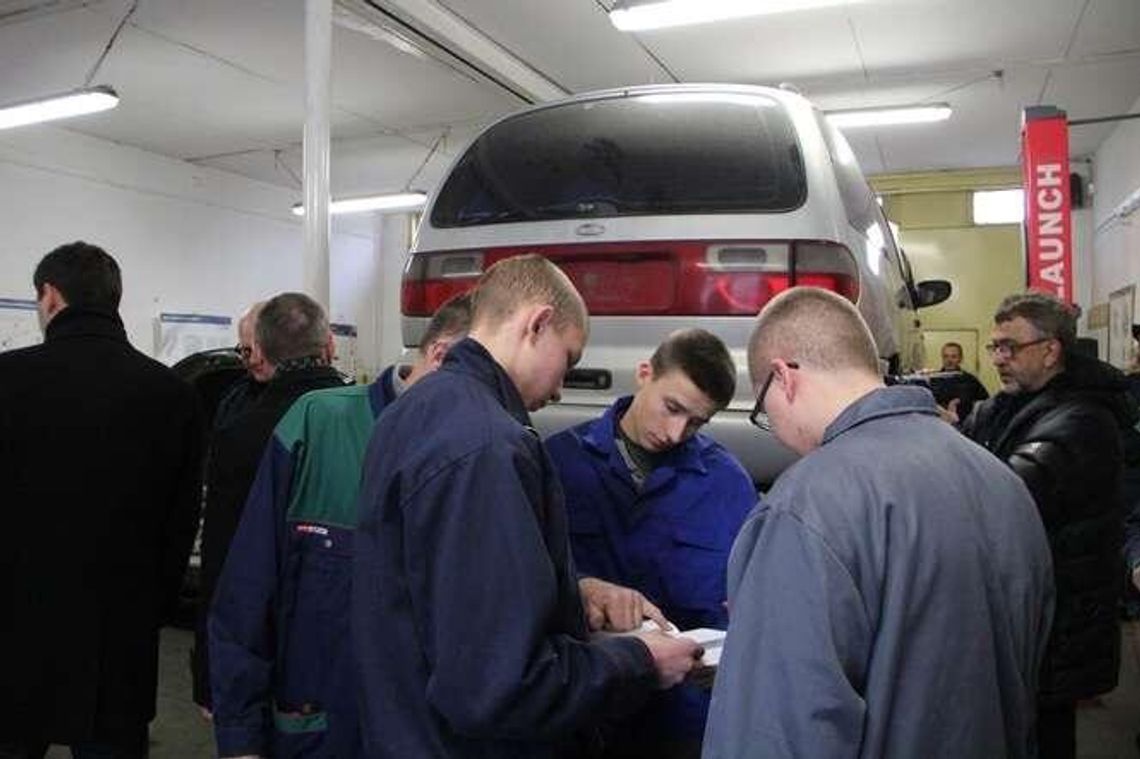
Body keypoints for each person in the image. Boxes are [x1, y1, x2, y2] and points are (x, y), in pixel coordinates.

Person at [352, 254, 701, 759]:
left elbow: (438, 594)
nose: (559, 388)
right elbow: (497, 686)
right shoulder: (488, 445)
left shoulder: (411, 412)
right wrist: (640, 661)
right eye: (568, 360)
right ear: (537, 324)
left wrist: (568, 595)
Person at [703, 286, 1054, 759]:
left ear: (783, 378)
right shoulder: (999, 480)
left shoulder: (808, 503)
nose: (778, 434)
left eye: (765, 413)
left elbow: (775, 733)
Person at [208, 291, 474, 758]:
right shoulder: (317, 424)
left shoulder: (491, 454)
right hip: (323, 733)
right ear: (441, 355)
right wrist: (240, 739)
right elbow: (246, 594)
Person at [0, 241, 204, 758]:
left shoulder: (7, 380)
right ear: (115, 298)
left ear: (50, 296)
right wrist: (152, 607)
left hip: (15, 635)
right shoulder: (172, 394)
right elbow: (181, 522)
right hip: (119, 639)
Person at [545, 328, 754, 758]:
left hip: (682, 724)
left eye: (696, 422)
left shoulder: (727, 484)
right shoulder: (558, 464)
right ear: (645, 374)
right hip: (583, 712)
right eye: (672, 408)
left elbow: (747, 605)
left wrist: (727, 663)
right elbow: (519, 583)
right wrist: (585, 588)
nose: (676, 433)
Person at [960, 291, 1139, 759]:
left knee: (1046, 734)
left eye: (1010, 347)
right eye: (995, 346)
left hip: (1058, 618)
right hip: (1029, 607)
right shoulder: (1011, 406)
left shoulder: (1082, 419)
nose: (998, 358)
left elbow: (1004, 497)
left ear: (1051, 349)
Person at [192, 292, 346, 712]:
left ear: (260, 349)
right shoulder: (378, 420)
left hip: (269, 644)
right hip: (351, 646)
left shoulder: (242, 434)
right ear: (330, 344)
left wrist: (210, 672)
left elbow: (223, 561)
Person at [213, 301, 274, 430]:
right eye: (247, 351)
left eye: (263, 349)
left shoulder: (309, 400)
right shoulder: (234, 399)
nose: (254, 360)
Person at [929, 340, 989, 420]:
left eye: (953, 357)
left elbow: (985, 402)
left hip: (964, 424)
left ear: (960, 358)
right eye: (946, 356)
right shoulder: (933, 380)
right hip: (939, 423)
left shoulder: (970, 380)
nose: (949, 360)